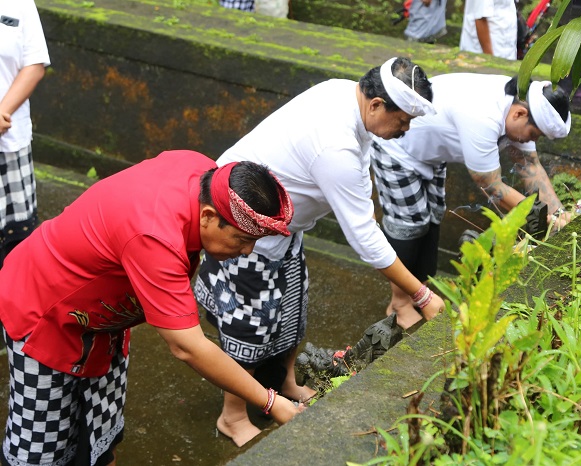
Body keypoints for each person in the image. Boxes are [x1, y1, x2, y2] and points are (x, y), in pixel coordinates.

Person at [194, 56, 446, 446]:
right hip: (241, 224)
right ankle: (232, 415)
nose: (405, 129)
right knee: (251, 325)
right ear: (377, 105)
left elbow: (360, 193)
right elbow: (363, 235)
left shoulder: (343, 95)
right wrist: (421, 294)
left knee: (292, 312)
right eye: (403, 120)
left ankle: (287, 384)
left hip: (283, 227)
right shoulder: (335, 142)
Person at [0, 150, 302, 466]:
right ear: (209, 216)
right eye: (241, 239)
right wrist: (270, 401)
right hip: (46, 314)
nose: (246, 251)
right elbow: (189, 347)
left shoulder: (202, 173)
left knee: (101, 434)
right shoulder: (154, 234)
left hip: (104, 321)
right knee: (40, 447)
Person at [370, 73, 572, 327]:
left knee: (431, 218)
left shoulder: (519, 106)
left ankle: (416, 292)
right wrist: (548, 220)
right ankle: (398, 305)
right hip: (397, 149)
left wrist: (561, 213)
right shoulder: (482, 116)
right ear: (520, 115)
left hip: (429, 153)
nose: (532, 141)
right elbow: (492, 186)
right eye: (534, 134)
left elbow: (529, 165)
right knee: (409, 224)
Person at [0, 0, 50, 268]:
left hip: (9, 142)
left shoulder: (19, 3)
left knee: (15, 244)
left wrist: (1, 111)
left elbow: (34, 65)